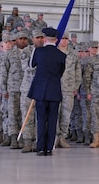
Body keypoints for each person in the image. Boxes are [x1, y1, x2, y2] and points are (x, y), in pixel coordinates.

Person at [27, 27, 66, 156]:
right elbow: (61, 72)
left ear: (45, 39)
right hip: (54, 90)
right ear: (56, 40)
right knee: (53, 120)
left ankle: (40, 148)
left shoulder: (39, 52)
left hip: (40, 91)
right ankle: (49, 148)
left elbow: (31, 65)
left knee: (41, 119)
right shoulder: (61, 55)